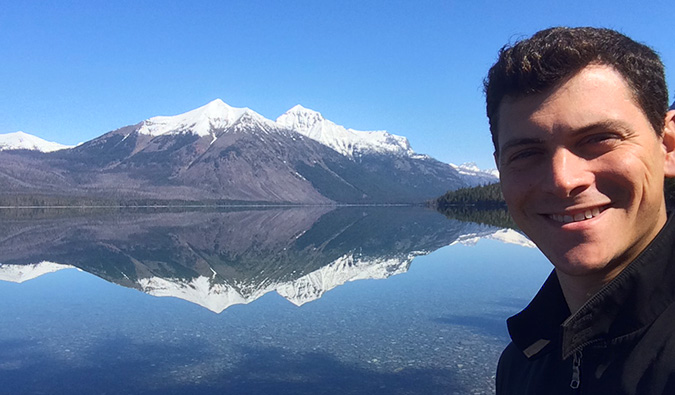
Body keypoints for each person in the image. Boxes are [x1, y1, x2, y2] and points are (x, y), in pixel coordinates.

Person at [484, 27, 675, 394]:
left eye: (598, 139)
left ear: (668, 145)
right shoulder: (522, 361)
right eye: (526, 153)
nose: (562, 180)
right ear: (501, 169)